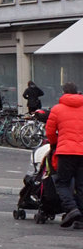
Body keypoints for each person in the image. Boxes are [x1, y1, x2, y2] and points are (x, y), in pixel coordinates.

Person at [44, 81, 83, 229]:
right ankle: (81, 219)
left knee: (62, 182)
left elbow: (50, 131)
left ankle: (71, 209)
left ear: (64, 93)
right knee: (81, 185)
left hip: (66, 152)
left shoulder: (57, 109)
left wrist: (55, 144)